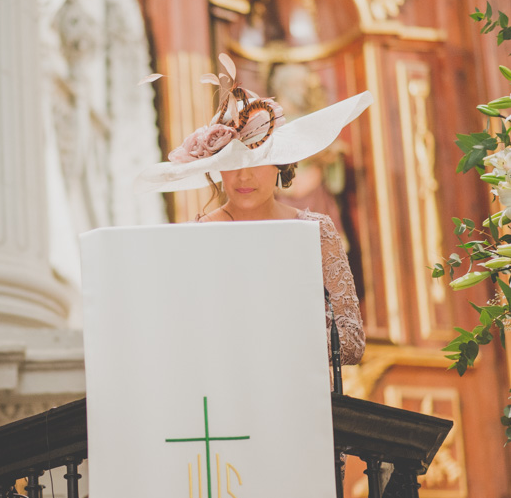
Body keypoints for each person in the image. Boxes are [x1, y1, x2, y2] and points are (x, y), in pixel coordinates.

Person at [135, 54, 372, 371]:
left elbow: (353, 344)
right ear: (217, 167)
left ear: (280, 162)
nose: (244, 177)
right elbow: (178, 337)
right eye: (233, 164)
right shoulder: (196, 237)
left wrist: (272, 340)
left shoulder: (316, 231)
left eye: (257, 162)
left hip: (302, 396)